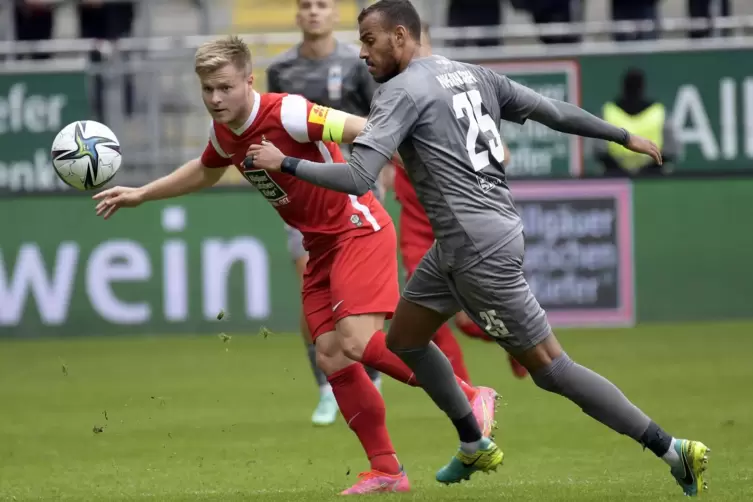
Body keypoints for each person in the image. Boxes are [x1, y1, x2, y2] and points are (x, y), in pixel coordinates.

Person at [246, 0, 710, 496]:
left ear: (400, 36)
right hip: (472, 238)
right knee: (404, 339)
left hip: (475, 250)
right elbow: (552, 112)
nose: (362, 52)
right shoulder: (473, 74)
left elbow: (359, 177)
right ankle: (473, 441)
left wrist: (285, 164)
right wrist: (621, 136)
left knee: (553, 369)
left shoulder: (400, 92)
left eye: (369, 40)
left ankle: (671, 448)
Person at [92, 34, 497, 495]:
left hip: (357, 228)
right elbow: (206, 169)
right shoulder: (222, 132)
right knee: (330, 356)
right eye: (207, 89)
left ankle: (467, 394)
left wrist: (389, 171)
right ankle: (386, 469)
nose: (215, 98)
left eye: (225, 87)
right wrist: (142, 193)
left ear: (249, 80)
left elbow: (365, 128)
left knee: (358, 341)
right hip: (320, 245)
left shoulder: (288, 112)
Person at [266, 0, 383, 427]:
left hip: (354, 188)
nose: (313, 12)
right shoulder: (281, 71)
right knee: (310, 288)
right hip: (302, 193)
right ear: (297, 16)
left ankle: (370, 374)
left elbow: (377, 122)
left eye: (322, 5)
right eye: (306, 6)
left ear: (336, 15)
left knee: (357, 296)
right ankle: (325, 387)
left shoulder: (357, 65)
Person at [392, 21, 525, 383]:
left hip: (463, 224)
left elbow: (502, 154)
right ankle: (469, 398)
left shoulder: (449, 93)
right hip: (419, 228)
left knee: (469, 321)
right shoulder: (394, 94)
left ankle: (519, 342)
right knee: (427, 322)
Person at [596, 67, 678, 177]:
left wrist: (621, 170)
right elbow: (671, 150)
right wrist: (646, 171)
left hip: (617, 175)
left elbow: (599, 150)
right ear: (642, 87)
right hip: (651, 176)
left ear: (623, 86)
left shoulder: (607, 111)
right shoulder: (659, 112)